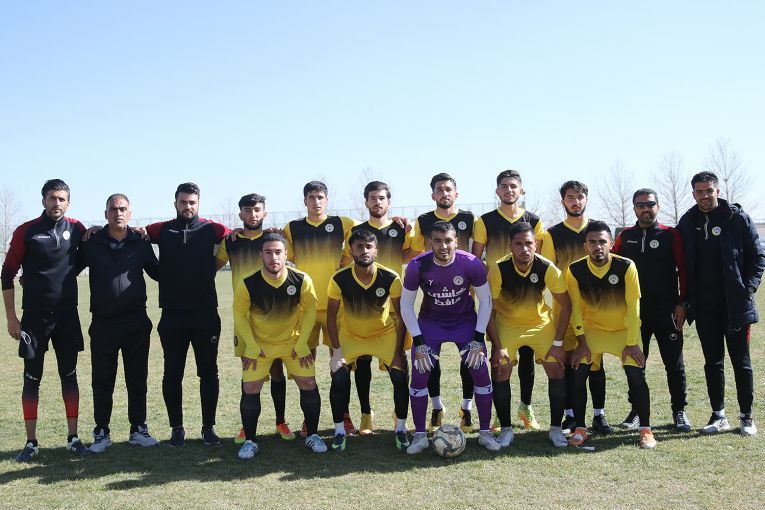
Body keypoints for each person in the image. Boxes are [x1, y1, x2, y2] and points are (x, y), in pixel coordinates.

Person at [2, 179, 90, 461]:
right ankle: (31, 443)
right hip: (34, 318)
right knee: (32, 378)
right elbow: (7, 273)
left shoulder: (78, 229)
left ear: (68, 202)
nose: (57, 203)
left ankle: (73, 438)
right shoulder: (26, 231)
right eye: (52, 198)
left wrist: (97, 231)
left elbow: (87, 255)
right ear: (43, 200)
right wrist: (12, 318)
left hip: (67, 316)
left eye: (62, 199)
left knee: (70, 376)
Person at [400, 221, 501, 454]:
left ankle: (485, 433)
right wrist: (419, 342)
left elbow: (486, 301)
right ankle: (419, 436)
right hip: (431, 323)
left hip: (464, 323)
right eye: (437, 241)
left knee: (480, 371)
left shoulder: (472, 263)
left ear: (456, 241)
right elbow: (406, 305)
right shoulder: (417, 265)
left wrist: (478, 338)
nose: (443, 246)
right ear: (430, 243)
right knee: (420, 374)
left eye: (448, 241)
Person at [677, 171, 765, 436]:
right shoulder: (688, 221)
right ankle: (719, 416)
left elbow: (758, 257)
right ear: (693, 194)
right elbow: (681, 262)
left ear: (717, 191)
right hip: (704, 306)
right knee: (712, 362)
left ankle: (746, 417)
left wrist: (748, 288)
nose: (704, 196)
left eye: (709, 190)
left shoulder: (737, 218)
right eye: (699, 191)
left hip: (735, 305)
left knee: (741, 362)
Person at [146, 182, 230, 447]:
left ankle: (208, 428)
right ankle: (176, 429)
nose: (187, 207)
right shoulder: (160, 230)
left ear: (198, 204)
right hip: (172, 315)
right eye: (183, 202)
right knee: (172, 374)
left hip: (206, 314)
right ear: (175, 204)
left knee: (209, 373)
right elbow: (132, 232)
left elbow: (239, 235)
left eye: (192, 202)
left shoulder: (213, 229)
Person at [78, 194, 161, 452]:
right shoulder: (92, 242)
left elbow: (159, 273)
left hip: (136, 322)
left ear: (130, 212)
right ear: (106, 214)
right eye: (113, 209)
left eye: (122, 208)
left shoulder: (140, 242)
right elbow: (67, 270)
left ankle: (138, 429)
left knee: (137, 379)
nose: (118, 213)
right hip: (103, 323)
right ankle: (101, 432)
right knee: (102, 381)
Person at [232, 233, 326, 458]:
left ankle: (312, 435)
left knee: (308, 382)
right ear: (261, 255)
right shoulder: (248, 282)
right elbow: (239, 315)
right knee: (250, 387)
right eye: (268, 252)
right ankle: (250, 441)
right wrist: (251, 346)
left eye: (278, 252)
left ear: (286, 254)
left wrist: (302, 343)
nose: (273, 257)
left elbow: (310, 310)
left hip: (292, 343)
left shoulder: (301, 279)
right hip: (260, 345)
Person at [566, 221, 656, 449]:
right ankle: (580, 429)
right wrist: (581, 342)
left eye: (602, 242)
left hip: (623, 332)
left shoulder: (626, 266)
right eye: (592, 242)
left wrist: (632, 343)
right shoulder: (574, 270)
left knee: (636, 376)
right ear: (585, 246)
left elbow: (634, 306)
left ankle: (645, 429)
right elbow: (575, 309)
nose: (597, 246)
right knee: (578, 374)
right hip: (592, 331)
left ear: (611, 243)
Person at [215, 194, 295, 443]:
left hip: (274, 316)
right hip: (245, 318)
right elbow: (212, 267)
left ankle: (280, 421)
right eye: (247, 210)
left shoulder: (274, 239)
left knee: (277, 370)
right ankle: (247, 426)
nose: (252, 214)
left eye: (257, 210)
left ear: (265, 213)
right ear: (240, 214)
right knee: (250, 371)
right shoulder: (231, 241)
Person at [338, 181, 415, 435]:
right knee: (363, 363)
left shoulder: (400, 228)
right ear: (366, 202)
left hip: (394, 302)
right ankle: (366, 414)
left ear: (389, 202)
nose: (377, 202)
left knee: (399, 361)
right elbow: (346, 260)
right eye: (373, 198)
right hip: (365, 305)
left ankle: (399, 414)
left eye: (382, 198)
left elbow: (411, 254)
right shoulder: (356, 231)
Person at [487, 222, 572, 448]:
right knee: (501, 368)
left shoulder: (547, 268)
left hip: (539, 324)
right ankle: (506, 429)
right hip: (508, 324)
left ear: (536, 244)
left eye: (528, 243)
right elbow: (488, 309)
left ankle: (556, 429)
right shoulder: (498, 269)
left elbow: (566, 306)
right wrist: (497, 346)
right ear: (510, 246)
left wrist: (558, 343)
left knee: (556, 366)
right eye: (518, 244)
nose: (524, 249)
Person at [472, 169, 544, 431]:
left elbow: (538, 258)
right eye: (504, 186)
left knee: (527, 355)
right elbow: (476, 260)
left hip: (526, 298)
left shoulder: (534, 220)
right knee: (500, 357)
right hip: (498, 300)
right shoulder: (485, 221)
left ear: (521, 190)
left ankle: (526, 407)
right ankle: (498, 414)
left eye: (513, 186)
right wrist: (488, 285)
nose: (509, 190)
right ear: (497, 191)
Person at [613, 188, 691, 432]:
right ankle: (637, 411)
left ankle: (679, 411)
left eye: (650, 204)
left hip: (667, 311)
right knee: (635, 363)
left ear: (658, 206)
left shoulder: (671, 235)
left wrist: (682, 303)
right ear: (634, 209)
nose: (645, 209)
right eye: (640, 205)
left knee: (674, 364)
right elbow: (613, 266)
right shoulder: (625, 236)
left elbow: (684, 270)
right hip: (636, 313)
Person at [283, 181, 357, 434]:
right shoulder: (292, 228)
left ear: (327, 200)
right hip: (305, 308)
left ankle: (344, 415)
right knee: (305, 364)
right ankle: (309, 418)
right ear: (305, 200)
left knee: (341, 364)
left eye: (320, 197)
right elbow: (286, 257)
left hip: (336, 305)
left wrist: (344, 261)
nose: (316, 201)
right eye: (311, 197)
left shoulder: (343, 224)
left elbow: (368, 233)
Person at [327, 229, 410, 450]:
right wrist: (336, 351)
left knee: (400, 376)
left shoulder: (391, 277)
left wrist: (398, 353)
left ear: (376, 251)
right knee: (339, 378)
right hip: (351, 336)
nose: (364, 251)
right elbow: (331, 317)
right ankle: (339, 431)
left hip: (383, 334)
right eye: (359, 247)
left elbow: (401, 316)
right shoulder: (339, 278)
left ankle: (401, 429)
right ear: (351, 251)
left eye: (368, 246)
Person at [540, 181, 610, 434]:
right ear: (563, 201)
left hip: (595, 308)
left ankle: (599, 415)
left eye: (580, 197)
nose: (575, 201)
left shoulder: (598, 230)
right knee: (570, 361)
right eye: (570, 197)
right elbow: (549, 271)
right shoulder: (552, 234)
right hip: (566, 309)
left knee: (596, 363)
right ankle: (570, 416)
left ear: (586, 199)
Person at [410, 173, 476, 433]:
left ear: (456, 194)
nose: (444, 193)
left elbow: (476, 254)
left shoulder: (470, 219)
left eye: (448, 189)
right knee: (430, 358)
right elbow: (417, 255)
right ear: (433, 195)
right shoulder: (423, 221)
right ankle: (437, 407)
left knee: (469, 357)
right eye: (440, 189)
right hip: (434, 302)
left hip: (464, 299)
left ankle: (467, 408)